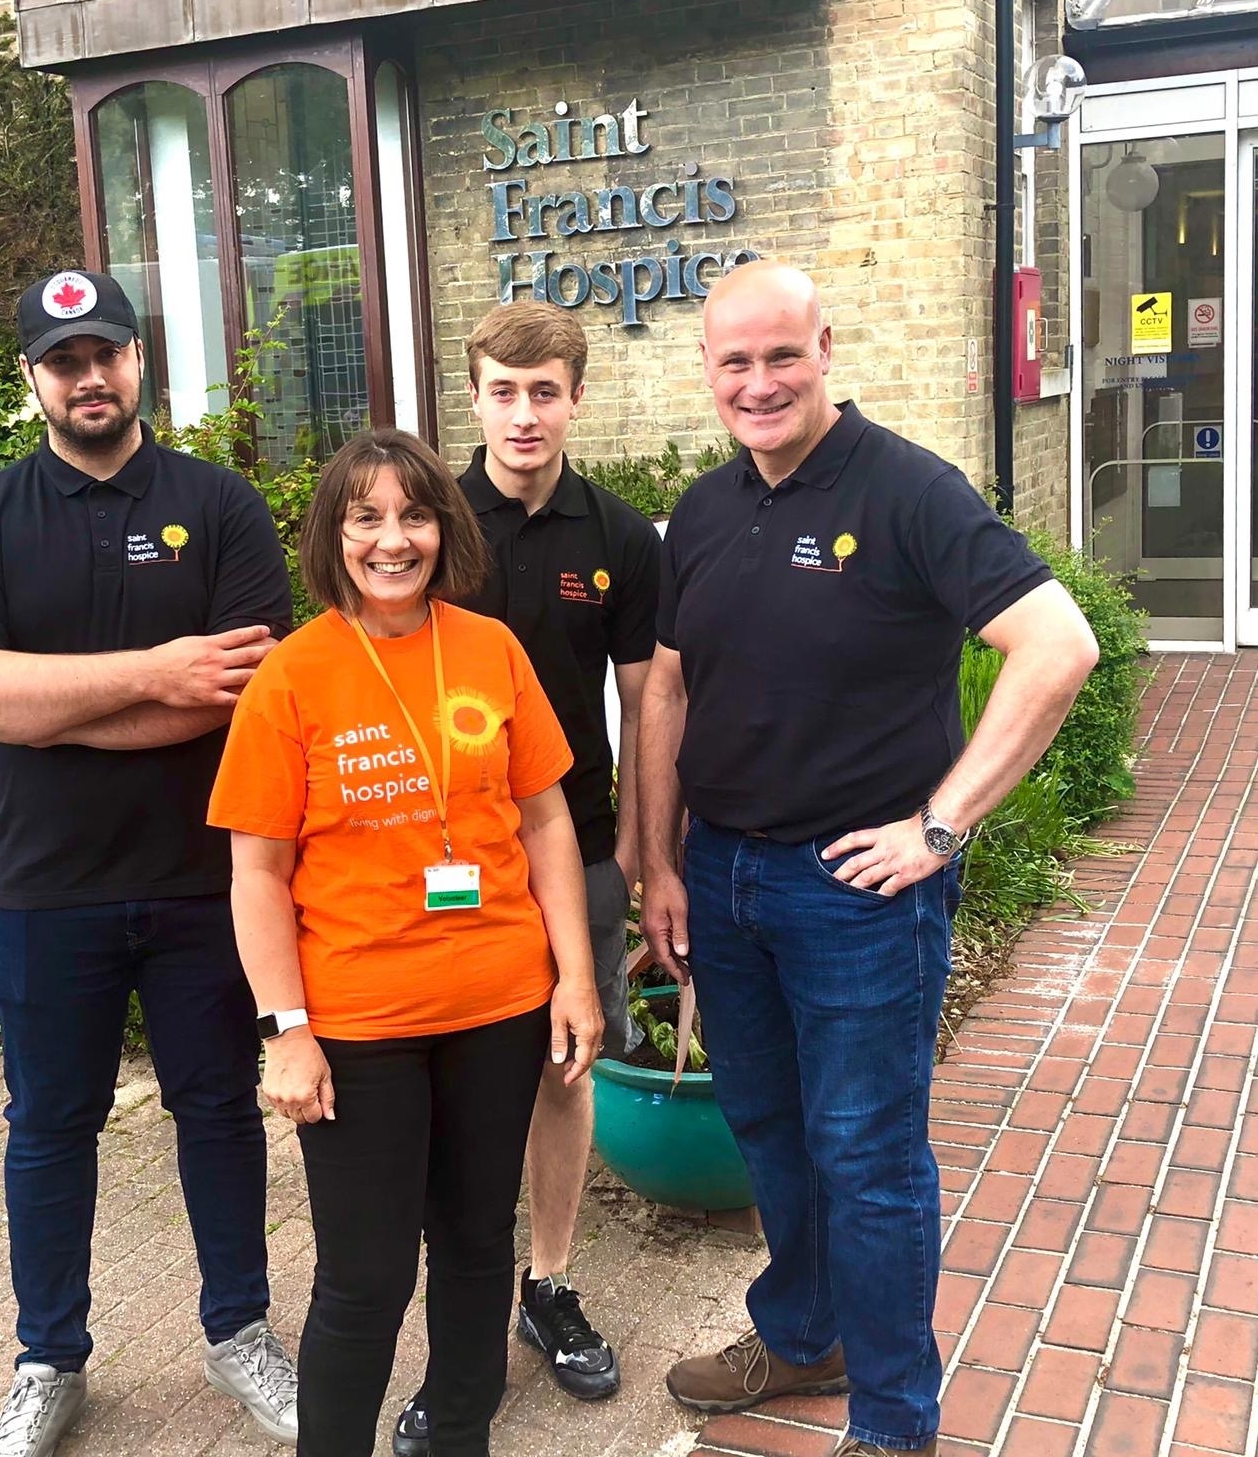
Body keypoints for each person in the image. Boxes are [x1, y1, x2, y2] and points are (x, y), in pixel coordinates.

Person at [639, 261, 1099, 1457]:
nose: (758, 382)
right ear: (706, 370)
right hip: (725, 880)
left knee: (869, 1154)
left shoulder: (908, 492)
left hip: (854, 893)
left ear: (826, 348)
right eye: (733, 361)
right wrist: (661, 863)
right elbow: (670, 692)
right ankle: (801, 1337)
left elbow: (1056, 645)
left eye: (780, 354)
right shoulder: (702, 507)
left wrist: (941, 824)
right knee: (768, 1127)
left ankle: (894, 1425)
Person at [0, 269, 300, 1457]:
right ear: (31, 375)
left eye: (108, 353)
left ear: (139, 361)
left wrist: (44, 705)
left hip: (202, 881)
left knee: (219, 1112)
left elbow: (240, 689)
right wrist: (148, 673)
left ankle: (240, 1335)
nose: (90, 377)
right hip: (43, 888)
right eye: (64, 359)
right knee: (48, 1125)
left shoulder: (218, 505)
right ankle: (49, 1360)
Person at [206, 428, 603, 1457]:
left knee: (476, 1247)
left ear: (444, 526)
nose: (394, 539)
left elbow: (547, 819)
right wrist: (284, 1029)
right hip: (359, 1024)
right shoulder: (292, 677)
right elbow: (256, 872)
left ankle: (455, 1434)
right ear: (332, 535)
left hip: (499, 1005)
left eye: (414, 514)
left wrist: (574, 977)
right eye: (366, 517)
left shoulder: (490, 648)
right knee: (365, 1276)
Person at [391, 301, 658, 1452]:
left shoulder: (622, 536)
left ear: (575, 399)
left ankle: (546, 1285)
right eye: (502, 391)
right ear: (475, 399)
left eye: (543, 391)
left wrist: (645, 846)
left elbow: (647, 703)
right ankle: (457, 1329)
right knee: (449, 1089)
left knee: (563, 1065)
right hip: (447, 860)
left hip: (581, 844)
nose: (523, 413)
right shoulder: (426, 527)